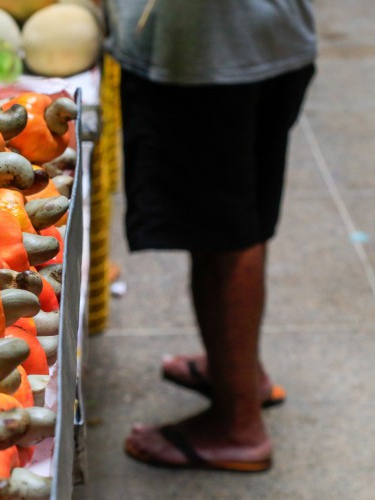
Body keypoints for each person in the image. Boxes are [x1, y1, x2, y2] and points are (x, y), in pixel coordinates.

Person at [103, 0, 317, 471]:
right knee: (240, 223)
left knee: (222, 236)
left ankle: (238, 427)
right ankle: (239, 374)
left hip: (205, 56)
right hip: (268, 35)